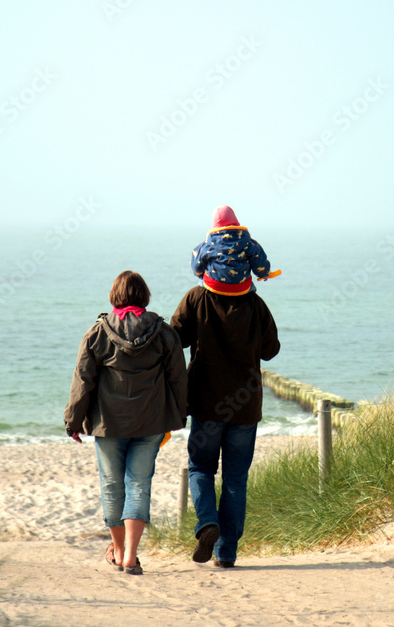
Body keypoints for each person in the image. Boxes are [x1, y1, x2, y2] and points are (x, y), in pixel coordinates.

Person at [64, 270, 187, 575]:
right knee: (139, 485)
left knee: (112, 486)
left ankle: (118, 552)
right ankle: (131, 555)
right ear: (144, 296)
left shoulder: (97, 333)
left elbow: (83, 379)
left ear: (114, 296)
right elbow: (178, 378)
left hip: (109, 424)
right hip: (150, 422)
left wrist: (73, 420)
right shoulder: (164, 333)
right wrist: (178, 416)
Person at [170, 277, 280, 568]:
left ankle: (207, 523)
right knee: (235, 478)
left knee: (200, 468)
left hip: (206, 404)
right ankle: (226, 552)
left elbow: (175, 339)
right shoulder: (256, 304)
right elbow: (270, 349)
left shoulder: (196, 298)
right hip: (245, 405)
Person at [191, 205, 272, 295]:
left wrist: (200, 275)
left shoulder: (206, 245)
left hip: (214, 285)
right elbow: (260, 264)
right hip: (241, 288)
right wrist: (264, 274)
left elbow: (196, 267)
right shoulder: (250, 244)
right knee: (253, 295)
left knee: (200, 286)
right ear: (236, 221)